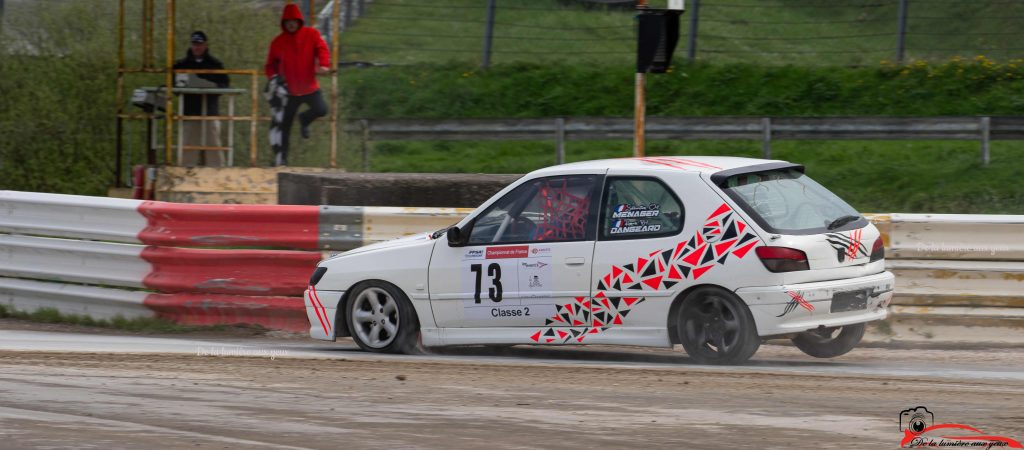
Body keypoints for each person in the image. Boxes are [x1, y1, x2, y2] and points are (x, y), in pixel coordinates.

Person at [264, 3, 332, 166]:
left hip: (309, 88)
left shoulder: (312, 34)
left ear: (300, 21)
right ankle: (282, 160)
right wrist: (274, 77)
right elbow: (269, 65)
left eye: (294, 20)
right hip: (289, 92)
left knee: (322, 109)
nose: (291, 24)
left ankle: (304, 119)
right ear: (284, 23)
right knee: (284, 127)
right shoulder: (278, 42)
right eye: (288, 21)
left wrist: (323, 65)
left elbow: (322, 49)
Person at [173, 31, 230, 166]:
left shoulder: (215, 64)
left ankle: (217, 181)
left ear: (205, 45)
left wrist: (210, 88)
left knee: (213, 149)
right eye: (194, 44)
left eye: (199, 44)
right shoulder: (181, 65)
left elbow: (225, 85)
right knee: (188, 150)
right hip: (189, 113)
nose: (197, 47)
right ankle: (185, 179)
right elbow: (172, 85)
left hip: (209, 113)